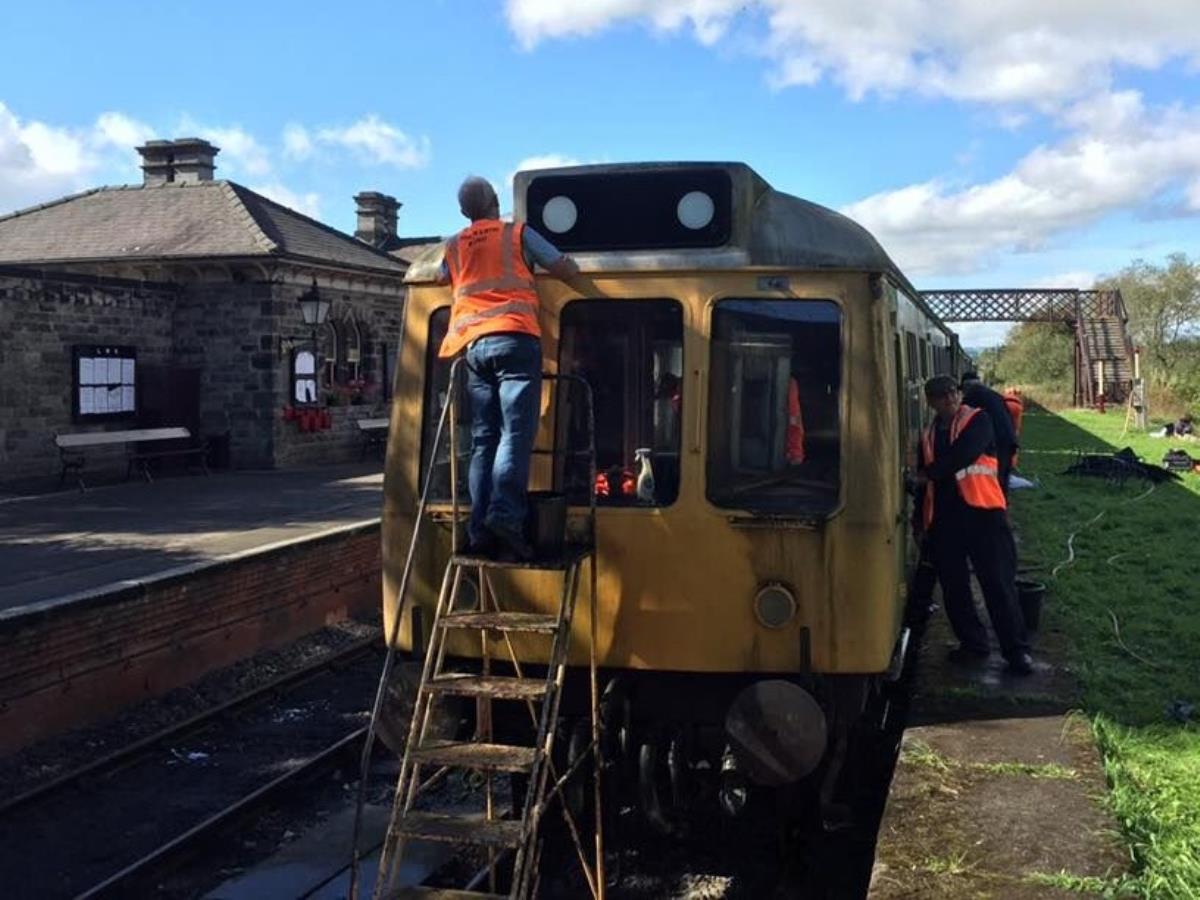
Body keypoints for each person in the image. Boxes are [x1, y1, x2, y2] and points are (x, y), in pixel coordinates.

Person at [438, 176, 579, 559]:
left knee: (484, 438)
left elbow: (440, 276)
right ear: (494, 202)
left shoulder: (453, 246)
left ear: (465, 212)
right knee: (516, 433)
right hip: (515, 339)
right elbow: (562, 266)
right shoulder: (516, 234)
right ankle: (506, 515)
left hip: (473, 348)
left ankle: (479, 528)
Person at [913, 376, 1034, 676]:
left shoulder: (979, 420)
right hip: (945, 520)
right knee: (955, 588)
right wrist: (920, 520)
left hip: (983, 514)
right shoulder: (928, 436)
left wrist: (929, 474)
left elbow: (964, 454)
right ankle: (973, 644)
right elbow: (922, 482)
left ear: (959, 393)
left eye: (953, 392)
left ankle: (1016, 651)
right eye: (941, 396)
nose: (950, 399)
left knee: (997, 583)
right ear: (931, 402)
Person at [960, 371, 1018, 494]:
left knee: (993, 483)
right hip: (1008, 441)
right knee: (1002, 482)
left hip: (995, 444)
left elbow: (965, 423)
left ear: (966, 388)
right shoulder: (996, 396)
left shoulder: (971, 399)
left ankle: (995, 508)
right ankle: (1002, 507)